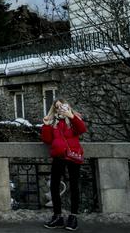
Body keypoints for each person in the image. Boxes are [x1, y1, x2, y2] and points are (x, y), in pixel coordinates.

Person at [41, 98, 87, 231]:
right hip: (59, 157)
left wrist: (71, 116)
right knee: (54, 186)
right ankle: (58, 216)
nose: (59, 108)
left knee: (74, 186)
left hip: (72, 156)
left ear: (67, 106)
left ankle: (73, 217)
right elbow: (47, 140)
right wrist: (46, 125)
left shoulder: (74, 118)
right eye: (56, 107)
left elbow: (82, 129)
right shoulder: (54, 121)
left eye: (61, 106)